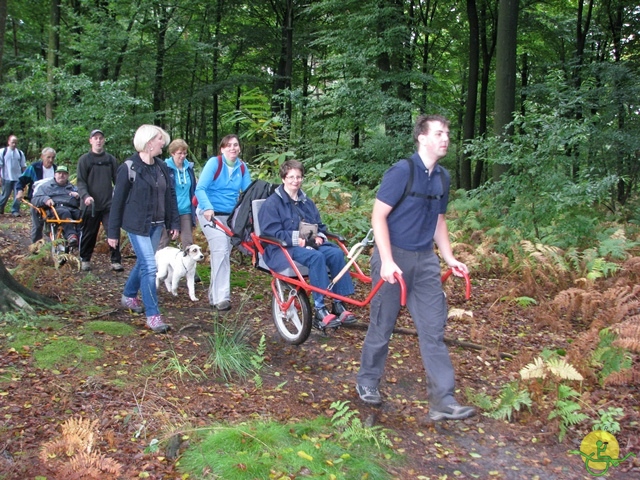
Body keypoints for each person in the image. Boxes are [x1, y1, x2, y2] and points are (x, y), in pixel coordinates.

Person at [355, 114, 475, 422]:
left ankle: (443, 400)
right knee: (383, 323)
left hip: (424, 261)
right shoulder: (402, 171)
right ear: (421, 138)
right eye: (438, 133)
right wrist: (387, 260)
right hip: (392, 255)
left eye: (447, 133)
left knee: (433, 329)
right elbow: (378, 217)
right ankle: (368, 381)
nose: (445, 138)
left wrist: (449, 258)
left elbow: (438, 220)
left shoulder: (442, 178)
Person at [258, 160, 357, 328]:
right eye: (291, 177)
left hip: (309, 245)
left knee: (336, 253)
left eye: (298, 177)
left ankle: (338, 303)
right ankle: (320, 308)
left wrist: (319, 236)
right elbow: (270, 232)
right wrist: (298, 239)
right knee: (316, 257)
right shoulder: (272, 203)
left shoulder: (306, 202)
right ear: (283, 178)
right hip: (282, 248)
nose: (295, 181)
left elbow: (319, 226)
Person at [108, 125, 180, 333]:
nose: (162, 143)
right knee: (150, 266)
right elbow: (118, 202)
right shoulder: (129, 167)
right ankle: (153, 316)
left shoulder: (162, 167)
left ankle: (129, 295)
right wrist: (112, 233)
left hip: (157, 224)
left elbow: (170, 196)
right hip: (137, 225)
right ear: (149, 143)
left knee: (143, 262)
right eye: (159, 139)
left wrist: (173, 222)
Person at [194, 134, 251, 311]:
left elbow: (248, 193)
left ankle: (214, 295)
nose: (232, 148)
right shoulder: (214, 163)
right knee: (221, 248)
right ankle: (222, 297)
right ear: (222, 149)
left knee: (223, 253)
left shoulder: (242, 167)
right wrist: (208, 208)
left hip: (229, 216)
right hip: (208, 213)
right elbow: (200, 189)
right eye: (228, 145)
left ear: (240, 148)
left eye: (236, 145)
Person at [76, 129, 124, 272]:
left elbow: (118, 181)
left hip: (108, 204)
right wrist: (85, 196)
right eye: (95, 138)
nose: (98, 140)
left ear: (104, 140)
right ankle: (85, 259)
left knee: (113, 231)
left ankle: (116, 260)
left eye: (100, 138)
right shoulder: (84, 160)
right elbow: (80, 182)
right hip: (91, 205)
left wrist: (122, 196)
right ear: (90, 140)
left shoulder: (110, 160)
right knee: (90, 233)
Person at [158, 139, 197, 249]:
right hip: (169, 211)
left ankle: (187, 265)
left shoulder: (189, 168)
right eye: (180, 153)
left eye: (185, 153)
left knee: (188, 242)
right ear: (172, 153)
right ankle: (155, 265)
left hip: (186, 210)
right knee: (163, 241)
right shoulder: (165, 168)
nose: (183, 156)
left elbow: (193, 189)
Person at [31, 166, 81, 246]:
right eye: (59, 173)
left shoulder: (73, 188)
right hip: (55, 209)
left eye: (64, 174)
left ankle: (81, 238)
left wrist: (78, 197)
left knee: (83, 215)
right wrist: (45, 199)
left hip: (72, 208)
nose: (61, 175)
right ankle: (71, 235)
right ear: (55, 175)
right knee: (65, 212)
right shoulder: (46, 187)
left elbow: (83, 202)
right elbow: (35, 199)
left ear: (68, 176)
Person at [16, 147, 58, 243]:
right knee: (37, 226)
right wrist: (19, 191)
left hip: (52, 200)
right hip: (37, 200)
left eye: (53, 158)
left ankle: (54, 247)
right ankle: (35, 249)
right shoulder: (34, 168)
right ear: (42, 157)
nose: (50, 160)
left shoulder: (56, 169)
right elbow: (21, 180)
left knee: (54, 223)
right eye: (48, 157)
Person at [0, 135, 27, 216]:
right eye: (12, 142)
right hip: (6, 177)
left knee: (17, 195)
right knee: (5, 195)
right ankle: (0, 208)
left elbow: (23, 166)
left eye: (15, 143)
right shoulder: (3, 152)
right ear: (8, 142)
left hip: (18, 178)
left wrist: (25, 178)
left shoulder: (20, 153)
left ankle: (15, 210)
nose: (14, 144)